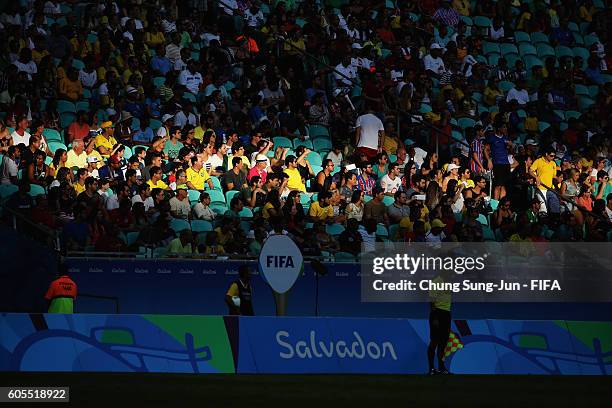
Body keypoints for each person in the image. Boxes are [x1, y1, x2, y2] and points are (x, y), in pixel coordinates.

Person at [427, 269, 452, 375]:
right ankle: (432, 369)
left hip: (446, 314)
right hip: (437, 314)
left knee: (443, 343)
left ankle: (441, 368)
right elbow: (432, 301)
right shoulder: (436, 282)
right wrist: (435, 318)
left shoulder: (449, 283)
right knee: (434, 342)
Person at [529, 147, 560, 215]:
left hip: (550, 189)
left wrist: (557, 178)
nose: (553, 157)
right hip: (541, 187)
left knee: (554, 207)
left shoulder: (553, 163)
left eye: (554, 156)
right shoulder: (538, 161)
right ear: (546, 154)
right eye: (551, 155)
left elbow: (553, 175)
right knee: (543, 209)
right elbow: (530, 171)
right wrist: (536, 177)